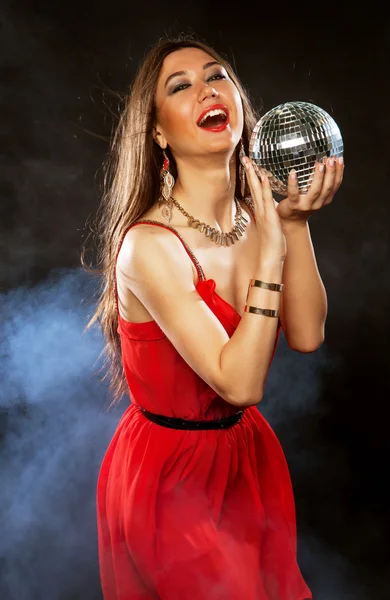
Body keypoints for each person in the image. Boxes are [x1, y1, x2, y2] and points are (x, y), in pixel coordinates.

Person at [87, 34, 344, 600]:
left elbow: (306, 335)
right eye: (181, 86)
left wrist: (293, 226)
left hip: (247, 460)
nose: (207, 89)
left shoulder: (262, 222)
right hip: (170, 478)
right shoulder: (147, 246)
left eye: (218, 75)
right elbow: (241, 382)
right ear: (157, 132)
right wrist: (273, 247)